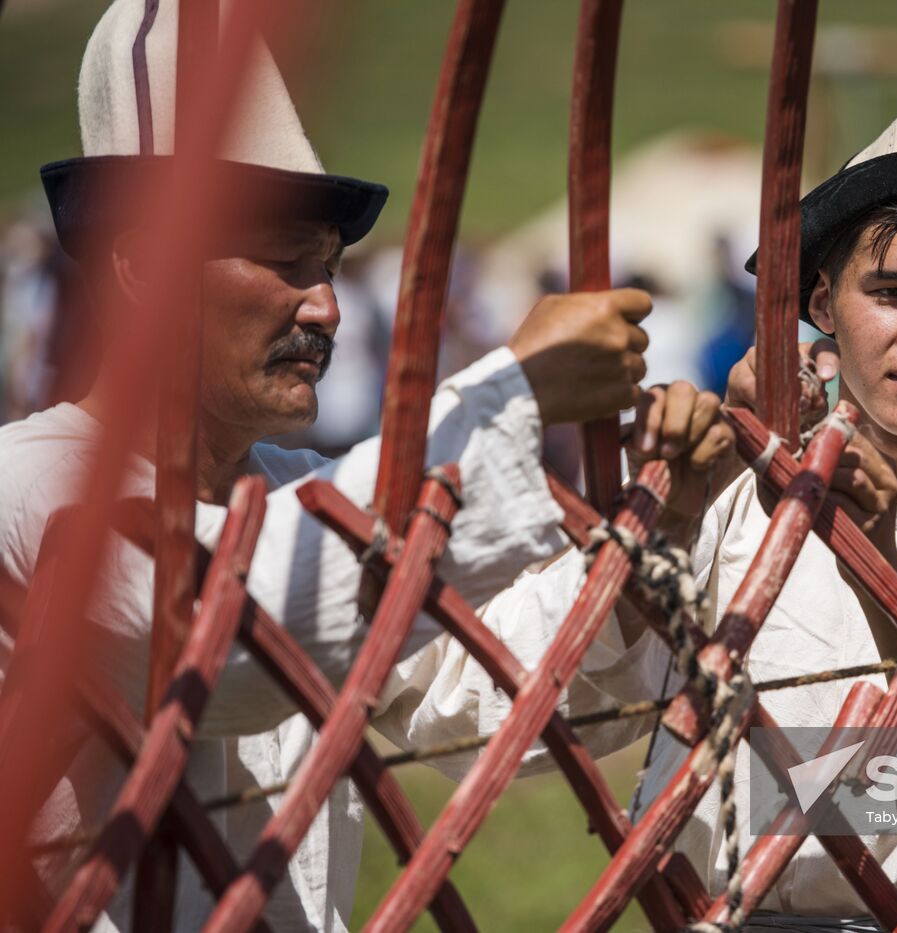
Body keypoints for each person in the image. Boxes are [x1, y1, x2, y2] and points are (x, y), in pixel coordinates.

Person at [1, 1, 672, 929]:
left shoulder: (287, 491)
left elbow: (472, 701)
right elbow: (230, 643)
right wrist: (507, 396)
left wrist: (658, 539)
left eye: (329, 268)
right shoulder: (29, 488)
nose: (326, 309)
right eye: (287, 262)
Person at [475, 114, 897, 930]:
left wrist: (873, 556)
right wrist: (678, 504)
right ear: (821, 303)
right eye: (887, 293)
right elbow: (558, 700)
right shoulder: (731, 493)